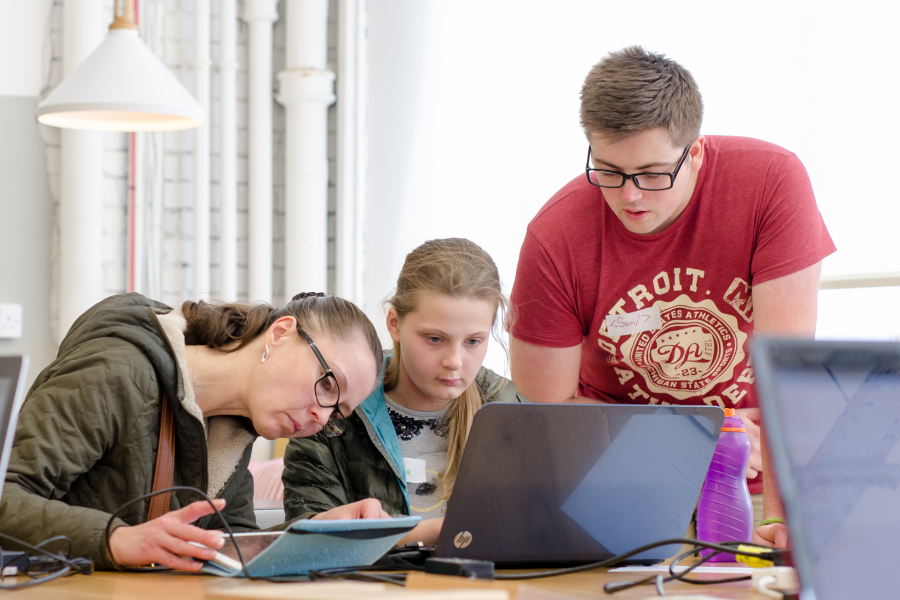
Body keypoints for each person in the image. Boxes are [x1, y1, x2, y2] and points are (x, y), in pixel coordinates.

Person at [508, 46, 835, 549]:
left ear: (697, 152)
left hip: (755, 482)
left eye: (653, 173)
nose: (629, 195)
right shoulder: (556, 236)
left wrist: (782, 520)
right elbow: (547, 419)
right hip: (615, 492)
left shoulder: (772, 181)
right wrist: (690, 440)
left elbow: (784, 376)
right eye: (609, 170)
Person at [0, 292, 389, 571]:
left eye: (338, 412)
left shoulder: (234, 436)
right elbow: (6, 494)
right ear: (280, 332)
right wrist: (115, 539)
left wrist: (314, 531)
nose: (322, 419)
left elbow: (228, 547)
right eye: (327, 385)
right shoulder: (119, 371)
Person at [282, 238, 529, 545]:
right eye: (435, 339)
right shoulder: (329, 409)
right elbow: (306, 541)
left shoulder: (510, 411)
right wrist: (435, 534)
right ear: (394, 324)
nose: (454, 361)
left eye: (473, 342)